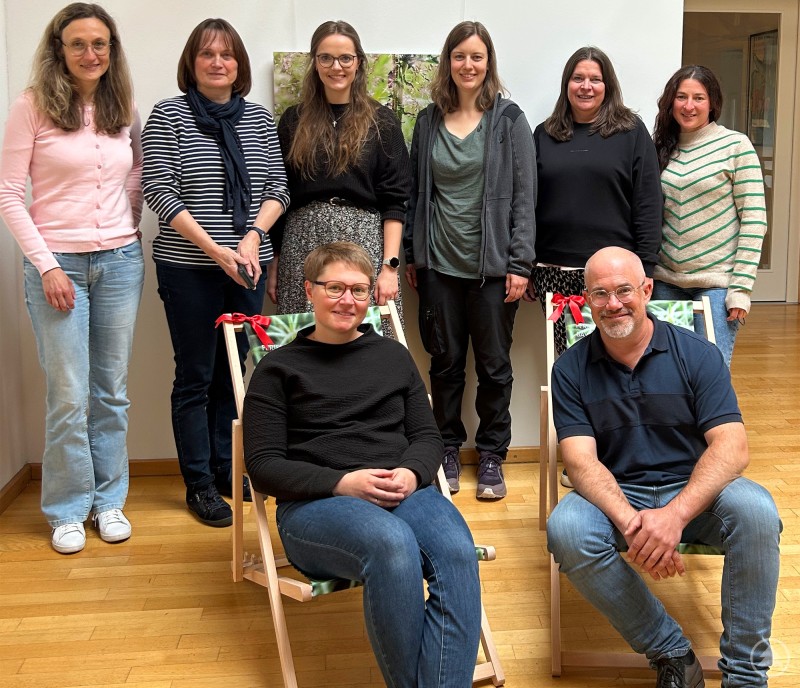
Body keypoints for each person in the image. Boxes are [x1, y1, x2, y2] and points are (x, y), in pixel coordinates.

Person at [243, 241, 482, 687]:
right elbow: (263, 465)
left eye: (358, 290)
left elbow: (427, 436)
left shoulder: (393, 356)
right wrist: (342, 483)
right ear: (309, 290)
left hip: (403, 489)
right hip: (316, 505)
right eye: (334, 288)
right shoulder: (277, 369)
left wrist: (411, 472)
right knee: (392, 544)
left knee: (455, 550)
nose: (347, 300)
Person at [547, 246, 781, 688]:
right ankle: (671, 652)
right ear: (586, 299)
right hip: (618, 494)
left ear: (647, 290)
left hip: (694, 492)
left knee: (757, 511)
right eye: (600, 293)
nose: (613, 304)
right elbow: (580, 462)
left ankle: (746, 676)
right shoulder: (570, 369)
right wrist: (636, 525)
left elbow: (732, 449)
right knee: (567, 529)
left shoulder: (698, 355)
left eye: (624, 290)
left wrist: (674, 517)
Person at [0, 3, 143, 554]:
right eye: (78, 43)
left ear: (112, 50)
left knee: (112, 392)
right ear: (59, 49)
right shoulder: (32, 105)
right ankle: (66, 509)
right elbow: (9, 194)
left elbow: (135, 173)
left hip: (120, 263)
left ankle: (109, 502)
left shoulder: (121, 104)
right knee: (68, 394)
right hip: (57, 265)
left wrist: (128, 226)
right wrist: (48, 265)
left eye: (99, 43)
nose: (90, 53)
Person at [142, 18, 289, 527]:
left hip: (248, 266)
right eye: (207, 54)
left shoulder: (258, 118)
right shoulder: (169, 115)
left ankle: (229, 468)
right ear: (192, 62)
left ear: (238, 64)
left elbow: (277, 187)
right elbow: (159, 191)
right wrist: (215, 249)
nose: (218, 62)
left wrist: (251, 238)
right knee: (195, 375)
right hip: (188, 268)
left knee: (233, 370)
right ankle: (199, 484)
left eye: (227, 54)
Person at [404, 21, 536, 500]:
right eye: (459, 56)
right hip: (439, 267)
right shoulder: (428, 121)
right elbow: (416, 195)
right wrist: (413, 254)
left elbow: (525, 198)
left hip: (494, 271)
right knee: (445, 364)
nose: (468, 65)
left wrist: (520, 264)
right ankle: (446, 448)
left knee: (495, 367)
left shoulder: (509, 121)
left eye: (477, 56)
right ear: (448, 62)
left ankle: (492, 454)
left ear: (488, 63)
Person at [268, 20, 410, 330]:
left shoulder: (382, 121)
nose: (336, 67)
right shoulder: (293, 120)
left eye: (345, 58)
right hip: (302, 243)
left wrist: (389, 267)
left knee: (368, 340)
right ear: (315, 63)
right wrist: (275, 261)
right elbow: (280, 194)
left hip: (365, 242)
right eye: (326, 58)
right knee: (304, 339)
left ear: (358, 62)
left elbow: (395, 200)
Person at [528, 46, 662, 354]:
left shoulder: (631, 132)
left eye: (595, 79)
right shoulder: (544, 134)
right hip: (554, 273)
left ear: (608, 85)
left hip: (615, 278)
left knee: (618, 356)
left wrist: (646, 267)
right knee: (569, 359)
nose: (586, 86)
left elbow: (648, 203)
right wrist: (528, 264)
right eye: (578, 78)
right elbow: (529, 203)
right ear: (567, 84)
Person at [652, 65, 767, 367]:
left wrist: (740, 289)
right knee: (667, 371)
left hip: (716, 283)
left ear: (713, 103)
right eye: (681, 97)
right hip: (665, 281)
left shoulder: (736, 146)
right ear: (671, 101)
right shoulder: (660, 148)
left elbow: (754, 219)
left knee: (710, 373)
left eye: (698, 98)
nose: (689, 106)